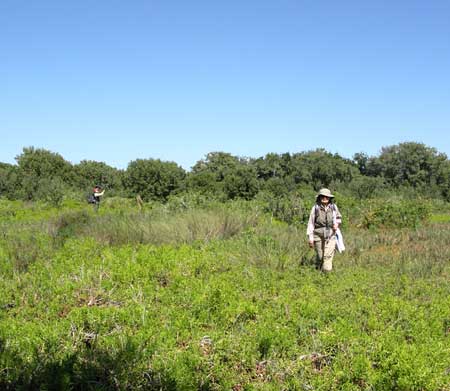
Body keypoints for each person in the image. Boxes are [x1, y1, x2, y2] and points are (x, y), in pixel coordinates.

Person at [306, 188, 342, 272]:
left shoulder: (333, 207)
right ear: (319, 197)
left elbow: (338, 217)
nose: (324, 198)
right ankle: (318, 271)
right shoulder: (315, 208)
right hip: (317, 235)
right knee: (320, 256)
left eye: (326, 196)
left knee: (327, 257)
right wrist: (310, 239)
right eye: (322, 196)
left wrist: (336, 224)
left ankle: (327, 273)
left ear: (329, 198)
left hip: (330, 235)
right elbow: (310, 223)